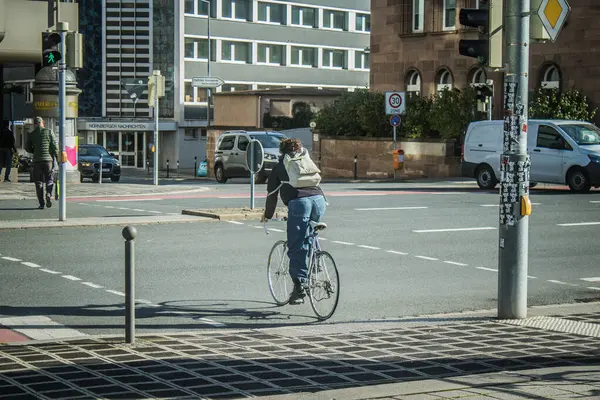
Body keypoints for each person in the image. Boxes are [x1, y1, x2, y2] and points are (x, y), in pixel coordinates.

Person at [262, 138, 326, 305]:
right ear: (299, 149)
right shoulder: (305, 159)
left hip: (300, 203)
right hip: (319, 200)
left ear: (281, 151)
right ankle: (317, 261)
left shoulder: (280, 166)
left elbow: (272, 196)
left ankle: (299, 288)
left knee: (296, 246)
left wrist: (267, 215)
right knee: (311, 230)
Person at [25, 117, 58, 209]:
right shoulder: (49, 131)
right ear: (42, 123)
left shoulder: (31, 134)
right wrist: (56, 158)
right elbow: (55, 146)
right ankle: (48, 193)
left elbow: (27, 148)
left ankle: (41, 204)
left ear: (34, 124)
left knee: (38, 182)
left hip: (37, 161)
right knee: (49, 179)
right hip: (48, 161)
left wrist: (34, 151)